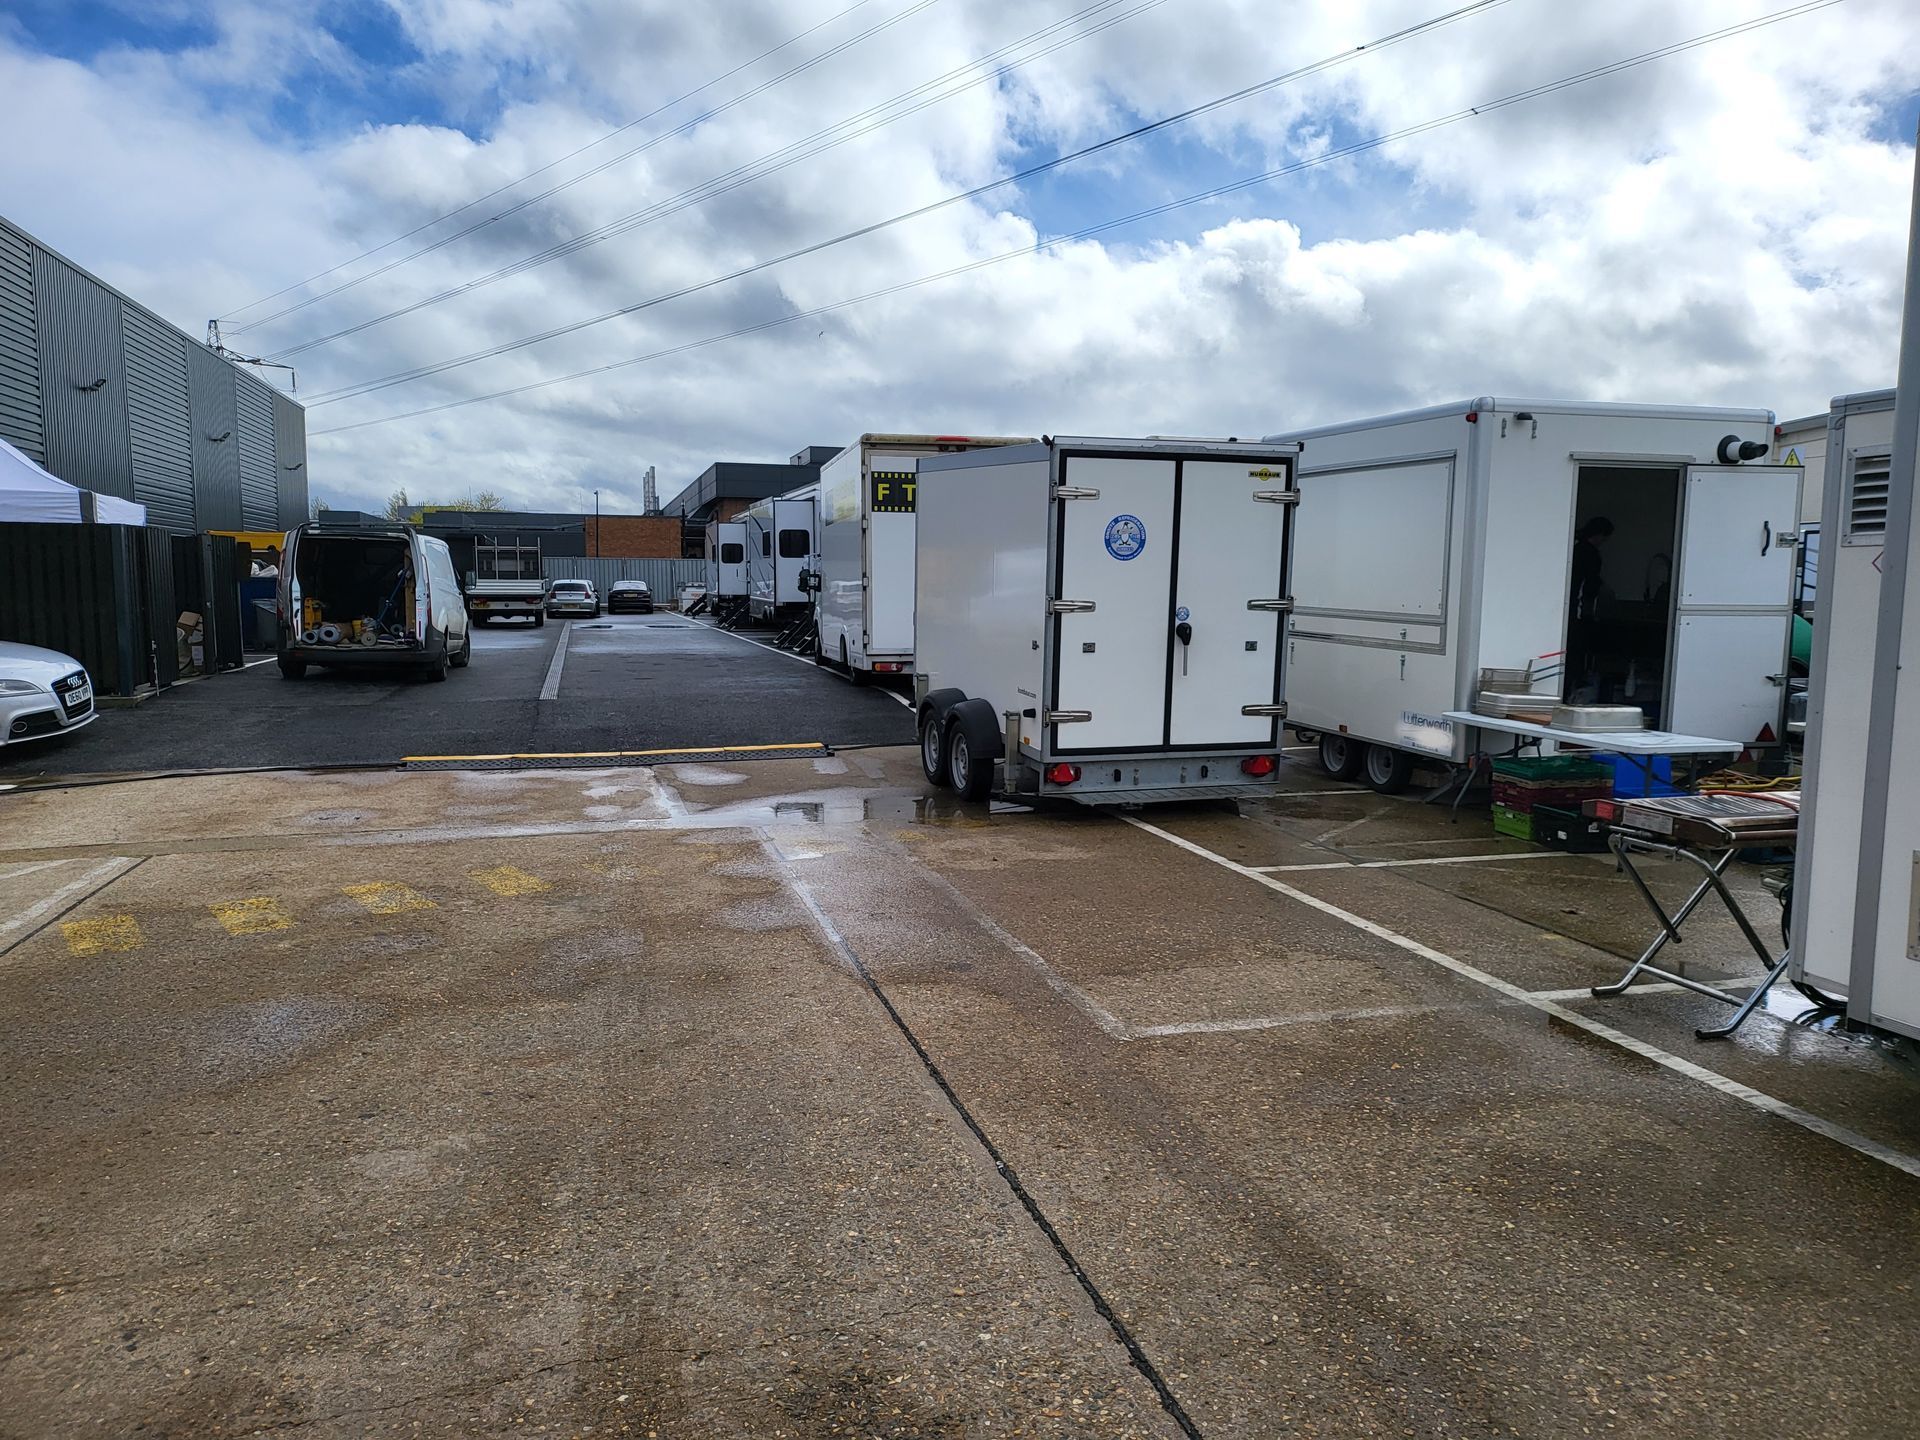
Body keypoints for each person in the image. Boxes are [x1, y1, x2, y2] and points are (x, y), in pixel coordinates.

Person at [1568, 516, 1613, 689]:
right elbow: (1590, 585)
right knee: (1577, 649)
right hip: (1579, 608)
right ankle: (1574, 686)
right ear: (1600, 535)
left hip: (1571, 606)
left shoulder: (1576, 548)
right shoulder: (1590, 553)